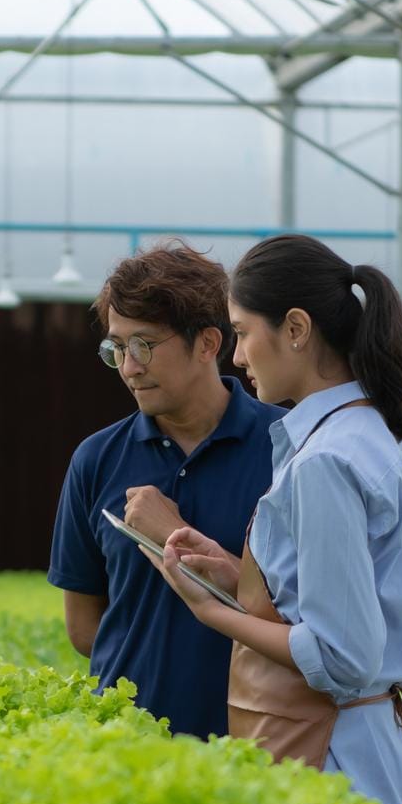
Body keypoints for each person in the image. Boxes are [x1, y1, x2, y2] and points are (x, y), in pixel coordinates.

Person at [142, 234, 402, 804]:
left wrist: (213, 612)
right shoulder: (376, 436)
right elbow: (337, 596)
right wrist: (233, 572)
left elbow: (343, 655)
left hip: (332, 762)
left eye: (244, 332)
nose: (238, 357)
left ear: (296, 330)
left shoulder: (325, 459)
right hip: (359, 749)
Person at [48, 243, 286, 739]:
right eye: (117, 347)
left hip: (253, 743)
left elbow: (310, 620)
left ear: (207, 343)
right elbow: (83, 627)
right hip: (124, 743)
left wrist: (175, 535)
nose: (129, 366)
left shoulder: (289, 450)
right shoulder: (95, 460)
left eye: (144, 345)